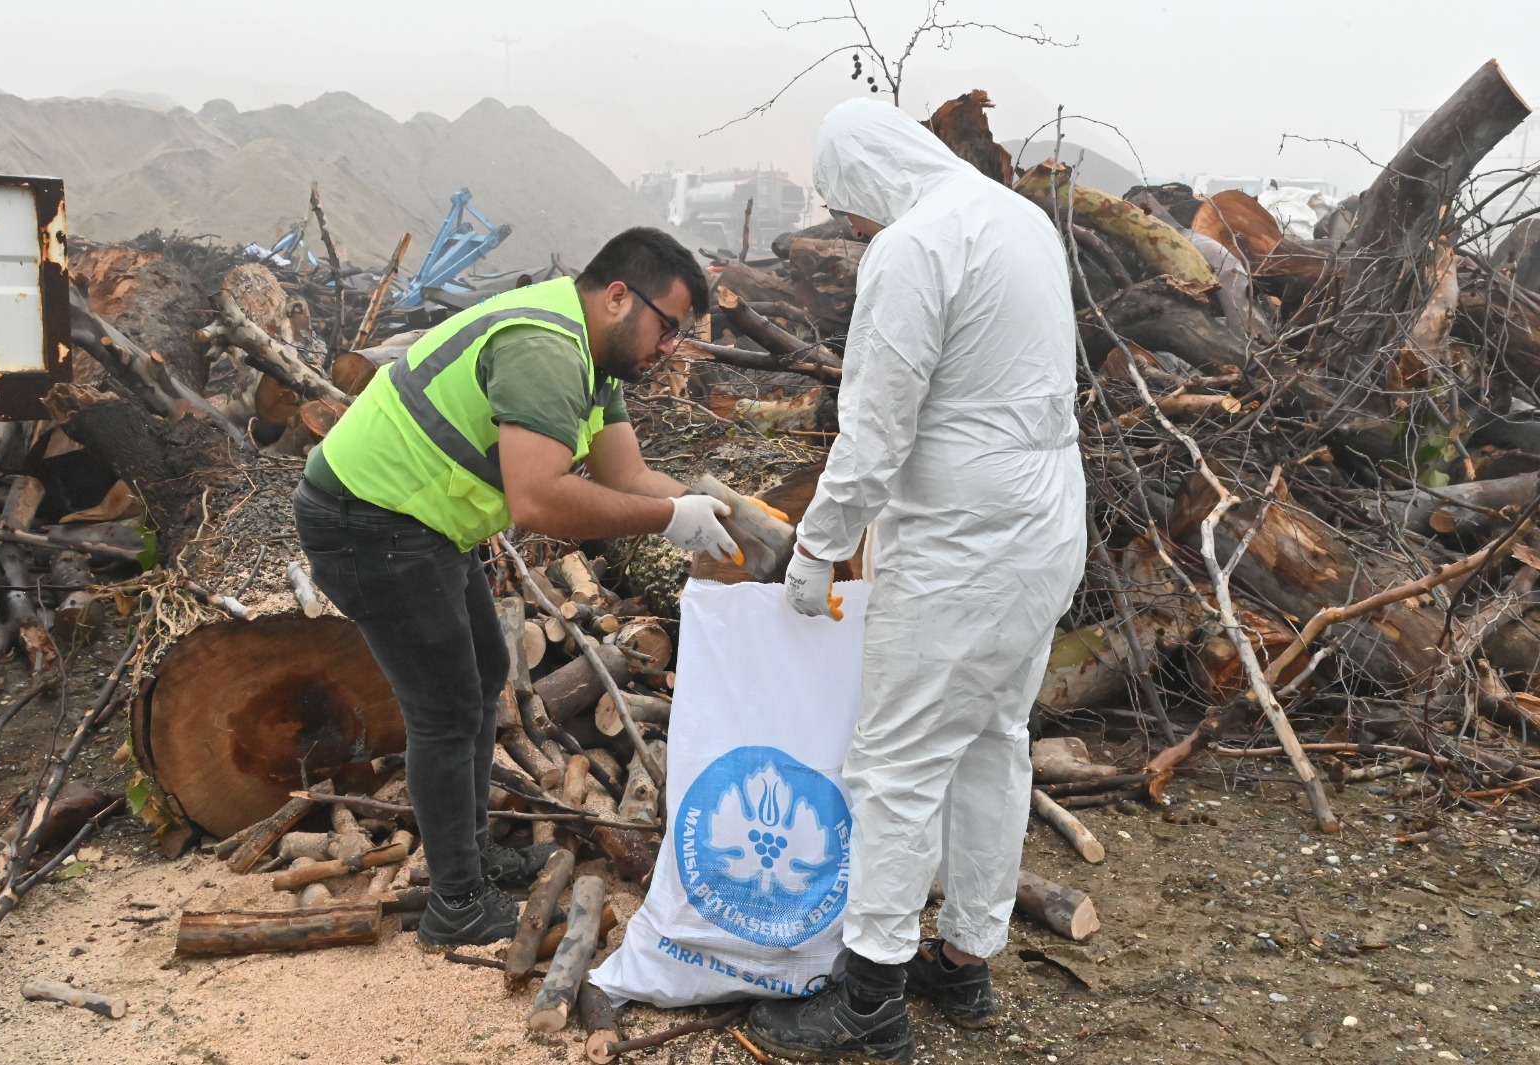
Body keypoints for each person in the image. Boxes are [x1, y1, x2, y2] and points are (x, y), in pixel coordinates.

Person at [293, 228, 742, 951]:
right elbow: (538, 498)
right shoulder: (546, 348)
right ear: (620, 296)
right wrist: (668, 518)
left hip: (421, 523)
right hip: (369, 519)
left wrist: (710, 512)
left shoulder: (595, 363)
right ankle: (457, 905)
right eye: (668, 326)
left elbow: (626, 477)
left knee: (484, 676)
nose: (669, 348)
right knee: (445, 707)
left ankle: (469, 860)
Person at [748, 99, 1086, 1061]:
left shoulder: (913, 246)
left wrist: (816, 550)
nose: (852, 228)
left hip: (962, 540)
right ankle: (966, 961)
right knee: (993, 741)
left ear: (863, 179)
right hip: (1047, 524)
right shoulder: (1017, 219)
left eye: (845, 207)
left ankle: (869, 1002)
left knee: (892, 766)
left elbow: (875, 432)